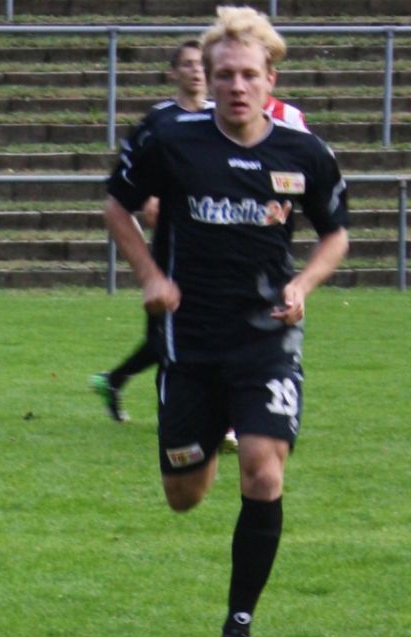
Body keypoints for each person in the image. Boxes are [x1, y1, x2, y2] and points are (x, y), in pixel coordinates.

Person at [103, 5, 349, 637]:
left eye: (248, 74)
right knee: (184, 494)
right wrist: (151, 276)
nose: (237, 86)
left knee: (264, 473)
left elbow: (336, 234)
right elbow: (116, 207)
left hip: (266, 337)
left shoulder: (303, 152)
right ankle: (203, 438)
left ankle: (237, 629)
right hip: (190, 339)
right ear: (208, 80)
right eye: (224, 75)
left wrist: (303, 285)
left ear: (271, 79)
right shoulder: (170, 140)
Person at [91, 37, 309, 446]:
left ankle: (219, 414)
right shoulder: (163, 123)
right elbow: (137, 196)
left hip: (232, 259)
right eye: (188, 65)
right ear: (176, 73)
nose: (194, 72)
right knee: (168, 337)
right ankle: (177, 408)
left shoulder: (226, 120)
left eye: (198, 64)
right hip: (177, 254)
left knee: (199, 335)